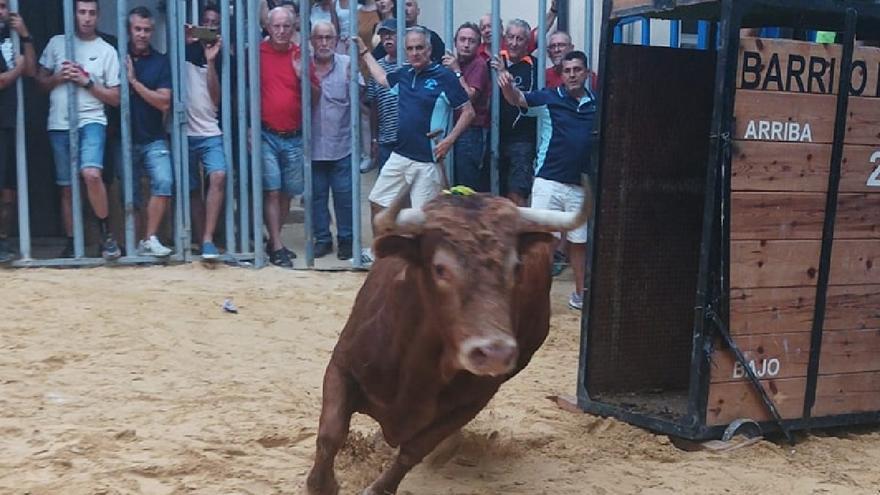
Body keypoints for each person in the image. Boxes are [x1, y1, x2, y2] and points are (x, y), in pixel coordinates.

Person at [497, 50, 596, 310]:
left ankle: (580, 295)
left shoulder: (598, 104)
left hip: (579, 186)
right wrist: (506, 86)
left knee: (579, 243)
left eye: (577, 69)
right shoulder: (549, 98)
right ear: (561, 75)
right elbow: (517, 99)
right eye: (568, 70)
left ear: (587, 72)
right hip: (547, 182)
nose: (573, 74)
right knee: (541, 242)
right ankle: (534, 296)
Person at [356, 26, 474, 221]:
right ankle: (382, 252)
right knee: (377, 204)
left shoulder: (445, 77)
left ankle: (418, 252)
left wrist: (449, 140)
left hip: (427, 162)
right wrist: (364, 52)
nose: (415, 53)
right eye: (410, 49)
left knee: (422, 221)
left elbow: (468, 112)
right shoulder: (405, 73)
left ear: (429, 50)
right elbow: (382, 78)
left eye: (419, 48)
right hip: (399, 155)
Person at [36, 0, 121, 260]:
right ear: (74, 14)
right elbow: (39, 83)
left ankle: (106, 235)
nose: (87, 18)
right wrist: (58, 78)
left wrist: (87, 82)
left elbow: (116, 98)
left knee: (91, 174)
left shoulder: (107, 50)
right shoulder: (56, 43)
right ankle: (74, 242)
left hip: (91, 120)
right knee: (67, 187)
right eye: (82, 12)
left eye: (91, 13)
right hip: (59, 123)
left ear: (99, 16)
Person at [260, 6, 320, 268]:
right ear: (269, 27)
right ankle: (276, 245)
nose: (282, 31)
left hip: (294, 135)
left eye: (287, 26)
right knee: (272, 191)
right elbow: (244, 91)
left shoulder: (300, 55)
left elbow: (316, 98)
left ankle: (275, 240)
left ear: (294, 27)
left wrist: (301, 77)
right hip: (266, 133)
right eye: (277, 26)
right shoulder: (257, 54)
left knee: (287, 193)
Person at [124, 6, 174, 257]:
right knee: (129, 193)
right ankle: (132, 244)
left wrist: (133, 83)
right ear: (129, 30)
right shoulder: (116, 55)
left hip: (154, 136)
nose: (142, 34)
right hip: (122, 137)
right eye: (138, 29)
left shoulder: (161, 61)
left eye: (147, 30)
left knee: (164, 182)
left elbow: (164, 102)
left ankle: (149, 239)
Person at [185, 5, 227, 259]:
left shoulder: (222, 57)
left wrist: (211, 61)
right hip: (183, 132)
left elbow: (216, 99)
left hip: (210, 130)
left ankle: (209, 238)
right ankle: (202, 240)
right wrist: (184, 41)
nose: (210, 27)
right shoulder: (183, 51)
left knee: (218, 175)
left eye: (214, 24)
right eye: (206, 22)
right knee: (191, 188)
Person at [310, 21, 355, 260]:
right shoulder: (303, 65)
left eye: (329, 37)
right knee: (316, 197)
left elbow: (363, 101)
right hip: (312, 146)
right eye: (320, 38)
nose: (325, 42)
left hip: (342, 145)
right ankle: (323, 239)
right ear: (312, 41)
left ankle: (346, 240)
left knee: (344, 196)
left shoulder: (348, 65)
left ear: (336, 40)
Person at [0, 1, 35, 263]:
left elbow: (32, 70)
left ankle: (4, 241)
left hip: (9, 122)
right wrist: (18, 69)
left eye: (4, 6)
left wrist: (24, 35)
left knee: (9, 192)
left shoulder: (10, 37)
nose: (1, 12)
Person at [490, 18, 538, 206]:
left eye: (520, 39)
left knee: (517, 193)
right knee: (493, 194)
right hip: (493, 136)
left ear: (527, 43)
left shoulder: (533, 66)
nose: (514, 43)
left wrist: (505, 76)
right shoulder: (493, 61)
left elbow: (529, 100)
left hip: (522, 140)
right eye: (511, 37)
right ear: (504, 38)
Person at [441, 22, 489, 191]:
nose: (466, 44)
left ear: (479, 45)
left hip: (471, 132)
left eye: (472, 41)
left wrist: (456, 71)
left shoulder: (479, 64)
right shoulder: (449, 63)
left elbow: (469, 96)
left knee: (465, 187)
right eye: (462, 40)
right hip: (450, 129)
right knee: (451, 185)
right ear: (455, 42)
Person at [364, 18, 398, 173]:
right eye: (384, 35)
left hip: (409, 141)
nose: (388, 38)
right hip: (386, 141)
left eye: (392, 34)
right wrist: (374, 139)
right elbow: (374, 107)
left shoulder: (411, 65)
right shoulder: (377, 68)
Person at [477, 0, 558, 61]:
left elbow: (540, 31)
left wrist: (553, 10)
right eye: (483, 28)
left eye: (490, 26)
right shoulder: (476, 52)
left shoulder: (513, 42)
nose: (487, 30)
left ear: (501, 29)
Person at [370, 0, 444, 63]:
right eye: (402, 6)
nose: (405, 9)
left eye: (409, 5)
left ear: (418, 11)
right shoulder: (391, 37)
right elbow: (374, 60)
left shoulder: (430, 36)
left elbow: (443, 60)